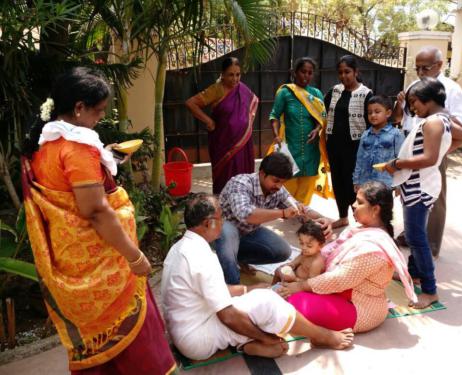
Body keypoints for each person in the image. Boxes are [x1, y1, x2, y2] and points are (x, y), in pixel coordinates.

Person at [22, 67, 176, 374]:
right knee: (135, 340)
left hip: (71, 259)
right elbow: (95, 211)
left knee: (99, 349)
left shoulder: (45, 145)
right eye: (99, 111)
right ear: (79, 108)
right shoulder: (77, 149)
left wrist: (105, 159)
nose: (101, 118)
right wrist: (135, 257)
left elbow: (68, 189)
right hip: (106, 262)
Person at [160, 193, 354, 361]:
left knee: (259, 296)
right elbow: (228, 316)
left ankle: (247, 344)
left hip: (185, 332)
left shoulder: (180, 248)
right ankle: (324, 336)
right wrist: (265, 337)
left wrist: (249, 289)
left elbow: (215, 291)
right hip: (197, 337)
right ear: (208, 223)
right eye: (221, 218)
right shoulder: (202, 257)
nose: (223, 222)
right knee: (267, 302)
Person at [278, 181, 417, 333]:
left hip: (358, 308)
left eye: (359, 202)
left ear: (375, 209)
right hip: (340, 294)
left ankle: (327, 337)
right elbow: (332, 253)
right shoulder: (361, 230)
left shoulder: (372, 249)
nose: (353, 205)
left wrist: (300, 286)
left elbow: (339, 279)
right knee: (281, 287)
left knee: (285, 302)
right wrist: (320, 236)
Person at [385, 77, 462, 309]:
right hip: (420, 184)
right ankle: (414, 273)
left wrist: (398, 164)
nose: (412, 109)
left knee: (416, 238)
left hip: (419, 187)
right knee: (414, 235)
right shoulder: (442, 119)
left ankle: (430, 291)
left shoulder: (433, 123)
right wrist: (442, 151)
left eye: (415, 103)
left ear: (429, 100)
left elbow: (429, 158)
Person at [393, 46, 462, 257]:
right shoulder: (415, 86)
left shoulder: (451, 89)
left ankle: (431, 243)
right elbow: (401, 118)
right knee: (410, 195)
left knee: (433, 197)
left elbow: (461, 128)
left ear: (439, 65)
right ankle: (412, 234)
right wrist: (401, 104)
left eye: (424, 68)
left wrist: (442, 151)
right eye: (417, 68)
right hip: (411, 147)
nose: (420, 73)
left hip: (431, 152)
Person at [215, 152, 325, 285]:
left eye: (282, 182)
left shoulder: (278, 189)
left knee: (282, 251)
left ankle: (238, 258)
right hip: (223, 230)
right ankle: (233, 286)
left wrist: (321, 219)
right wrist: (282, 213)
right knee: (227, 231)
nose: (279, 186)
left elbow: (300, 209)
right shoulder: (240, 183)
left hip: (248, 232)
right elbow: (246, 214)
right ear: (262, 173)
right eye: (276, 181)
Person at [186, 56, 259, 194]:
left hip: (243, 144)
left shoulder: (242, 89)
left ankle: (242, 208)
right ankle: (224, 209)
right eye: (230, 75)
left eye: (238, 75)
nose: (235, 79)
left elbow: (252, 104)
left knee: (243, 178)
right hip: (223, 144)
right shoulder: (216, 90)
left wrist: (245, 126)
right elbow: (191, 103)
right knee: (225, 180)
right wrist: (209, 121)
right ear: (222, 74)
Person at [269, 57, 330, 205]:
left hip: (311, 147)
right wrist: (276, 136)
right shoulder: (285, 92)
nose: (306, 76)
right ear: (295, 72)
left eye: (310, 73)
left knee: (308, 179)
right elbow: (274, 115)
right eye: (303, 72)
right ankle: (289, 208)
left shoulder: (316, 94)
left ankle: (302, 210)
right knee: (288, 178)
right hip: (291, 146)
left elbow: (321, 119)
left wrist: (317, 129)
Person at [324, 55, 373, 229]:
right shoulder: (335, 91)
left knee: (353, 183)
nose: (344, 76)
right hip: (334, 144)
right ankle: (343, 217)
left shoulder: (365, 93)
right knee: (337, 181)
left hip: (355, 147)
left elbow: (372, 120)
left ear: (356, 72)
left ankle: (360, 220)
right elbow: (323, 112)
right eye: (340, 72)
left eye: (347, 72)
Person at [353, 95, 405, 190]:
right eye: (369, 113)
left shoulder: (396, 134)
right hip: (366, 182)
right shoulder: (365, 135)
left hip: (385, 183)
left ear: (388, 113)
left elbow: (400, 160)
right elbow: (359, 159)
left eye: (377, 112)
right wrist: (356, 180)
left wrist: (399, 185)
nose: (373, 115)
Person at [273, 220, 325, 284]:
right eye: (301, 243)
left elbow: (311, 284)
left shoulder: (316, 263)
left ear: (321, 246)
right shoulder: (306, 252)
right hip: (294, 276)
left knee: (281, 287)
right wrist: (291, 265)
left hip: (300, 284)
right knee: (278, 270)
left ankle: (275, 290)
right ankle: (271, 287)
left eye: (309, 246)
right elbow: (296, 261)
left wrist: (295, 279)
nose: (304, 248)